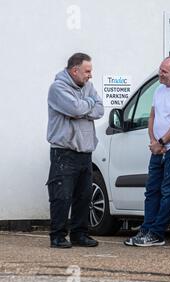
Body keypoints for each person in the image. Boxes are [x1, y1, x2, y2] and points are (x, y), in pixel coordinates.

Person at [124, 57, 170, 247]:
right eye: (160, 69)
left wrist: (163, 141)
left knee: (169, 191)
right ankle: (147, 228)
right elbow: (153, 116)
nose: (160, 74)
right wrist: (153, 140)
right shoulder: (158, 90)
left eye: (164, 71)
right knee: (152, 190)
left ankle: (157, 233)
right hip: (158, 147)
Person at [46, 53, 104, 248]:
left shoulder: (88, 87)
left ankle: (80, 234)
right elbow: (75, 109)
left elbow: (100, 109)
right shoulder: (57, 88)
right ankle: (58, 236)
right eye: (87, 71)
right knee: (61, 196)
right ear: (74, 71)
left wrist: (81, 109)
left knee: (84, 196)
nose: (90, 75)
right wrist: (83, 108)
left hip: (85, 152)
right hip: (64, 152)